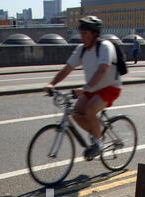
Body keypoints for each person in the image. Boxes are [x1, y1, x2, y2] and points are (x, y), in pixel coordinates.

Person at [44, 16, 122, 161]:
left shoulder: (105, 47)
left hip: (111, 87)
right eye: (82, 34)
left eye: (86, 34)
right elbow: (67, 69)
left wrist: (85, 88)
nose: (83, 37)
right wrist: (52, 84)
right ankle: (97, 133)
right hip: (92, 88)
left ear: (94, 34)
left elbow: (102, 71)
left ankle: (98, 144)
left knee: (90, 109)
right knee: (76, 113)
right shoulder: (82, 50)